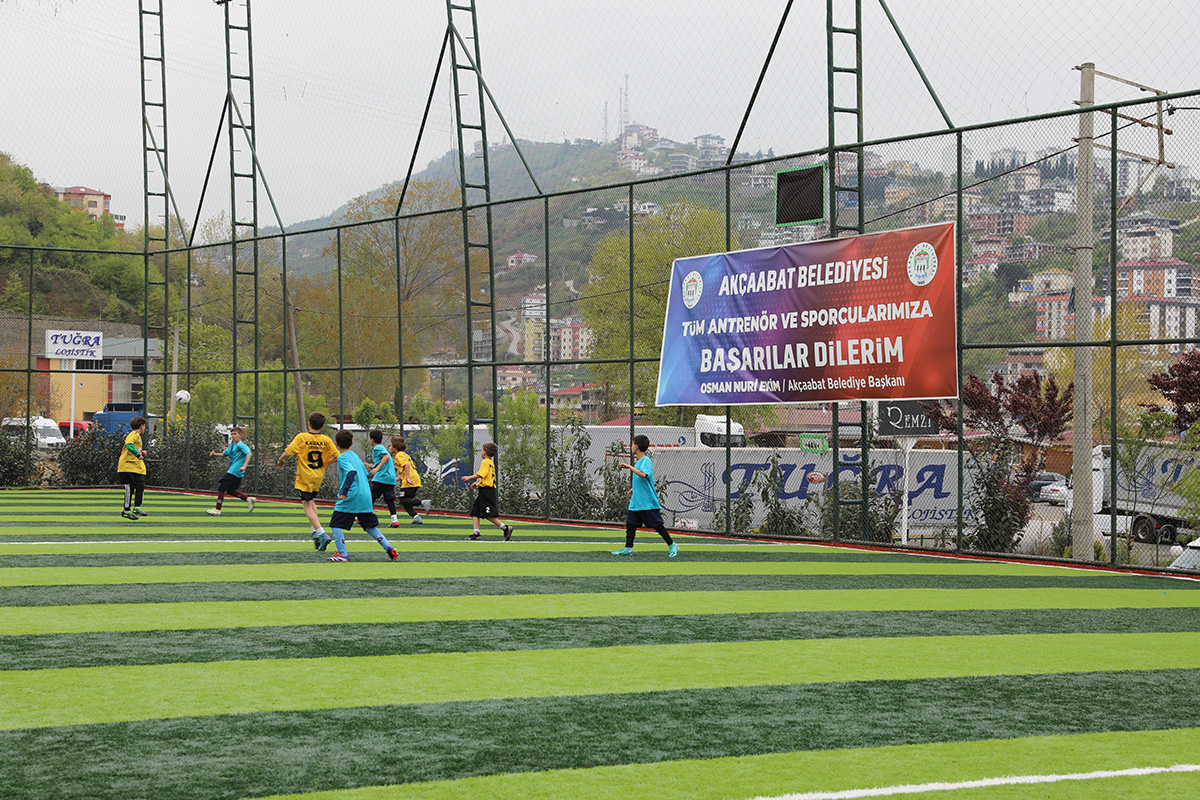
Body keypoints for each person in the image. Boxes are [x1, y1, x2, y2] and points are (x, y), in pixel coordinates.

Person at [324, 429, 399, 562]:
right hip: (365, 495)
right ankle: (388, 547)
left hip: (352, 495)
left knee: (335, 523)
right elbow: (365, 474)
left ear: (336, 443)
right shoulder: (355, 456)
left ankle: (343, 554)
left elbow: (351, 472)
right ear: (352, 443)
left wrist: (344, 492)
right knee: (369, 525)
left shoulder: (342, 457)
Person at [277, 411, 340, 548]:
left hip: (305, 475)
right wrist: (325, 462)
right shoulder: (326, 440)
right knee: (311, 502)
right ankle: (315, 534)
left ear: (309, 423)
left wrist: (280, 460)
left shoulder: (302, 437)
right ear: (323, 426)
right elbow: (337, 456)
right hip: (318, 475)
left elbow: (287, 452)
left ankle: (322, 533)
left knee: (306, 506)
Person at [613, 434, 677, 557]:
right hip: (637, 501)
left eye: (632, 445)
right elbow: (642, 480)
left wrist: (629, 467)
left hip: (646, 502)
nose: (630, 447)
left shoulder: (645, 461)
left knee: (657, 526)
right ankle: (628, 548)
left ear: (636, 446)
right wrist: (634, 489)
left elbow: (644, 475)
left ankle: (672, 545)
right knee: (630, 524)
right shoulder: (639, 462)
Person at [460, 441, 514, 541]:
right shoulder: (490, 462)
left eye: (482, 450)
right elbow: (487, 478)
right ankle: (476, 534)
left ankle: (505, 528)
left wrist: (469, 477)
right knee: (475, 512)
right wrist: (477, 484)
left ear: (484, 452)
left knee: (488, 514)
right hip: (485, 489)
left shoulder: (485, 462)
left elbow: (482, 474)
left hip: (487, 491)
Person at [206, 427, 255, 516]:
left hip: (235, 470)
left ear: (240, 435)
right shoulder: (233, 445)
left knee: (222, 488)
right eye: (232, 434)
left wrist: (244, 466)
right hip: (236, 471)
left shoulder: (241, 445)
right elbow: (225, 454)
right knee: (231, 490)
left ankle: (217, 510)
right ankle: (248, 499)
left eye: (235, 434)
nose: (233, 436)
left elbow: (249, 454)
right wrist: (215, 454)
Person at [390, 434, 430, 525]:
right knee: (406, 501)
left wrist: (407, 478)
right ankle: (416, 517)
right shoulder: (404, 454)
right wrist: (394, 480)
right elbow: (404, 471)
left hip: (410, 480)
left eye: (391, 445)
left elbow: (407, 466)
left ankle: (423, 502)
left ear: (395, 448)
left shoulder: (398, 456)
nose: (389, 447)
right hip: (414, 478)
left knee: (403, 500)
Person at [365, 429, 400, 527]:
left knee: (370, 496)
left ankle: (365, 517)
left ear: (371, 439)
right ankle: (394, 519)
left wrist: (376, 470)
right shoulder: (381, 448)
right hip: (389, 478)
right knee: (389, 499)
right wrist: (370, 466)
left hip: (382, 478)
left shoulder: (378, 448)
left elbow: (386, 458)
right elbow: (382, 462)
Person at [117, 416, 148, 521]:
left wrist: (141, 452)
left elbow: (133, 447)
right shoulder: (133, 434)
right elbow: (129, 445)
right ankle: (126, 511)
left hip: (136, 467)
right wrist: (137, 454)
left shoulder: (138, 437)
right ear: (141, 426)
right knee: (129, 489)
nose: (145, 428)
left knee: (140, 486)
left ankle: (136, 507)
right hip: (127, 467)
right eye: (144, 426)